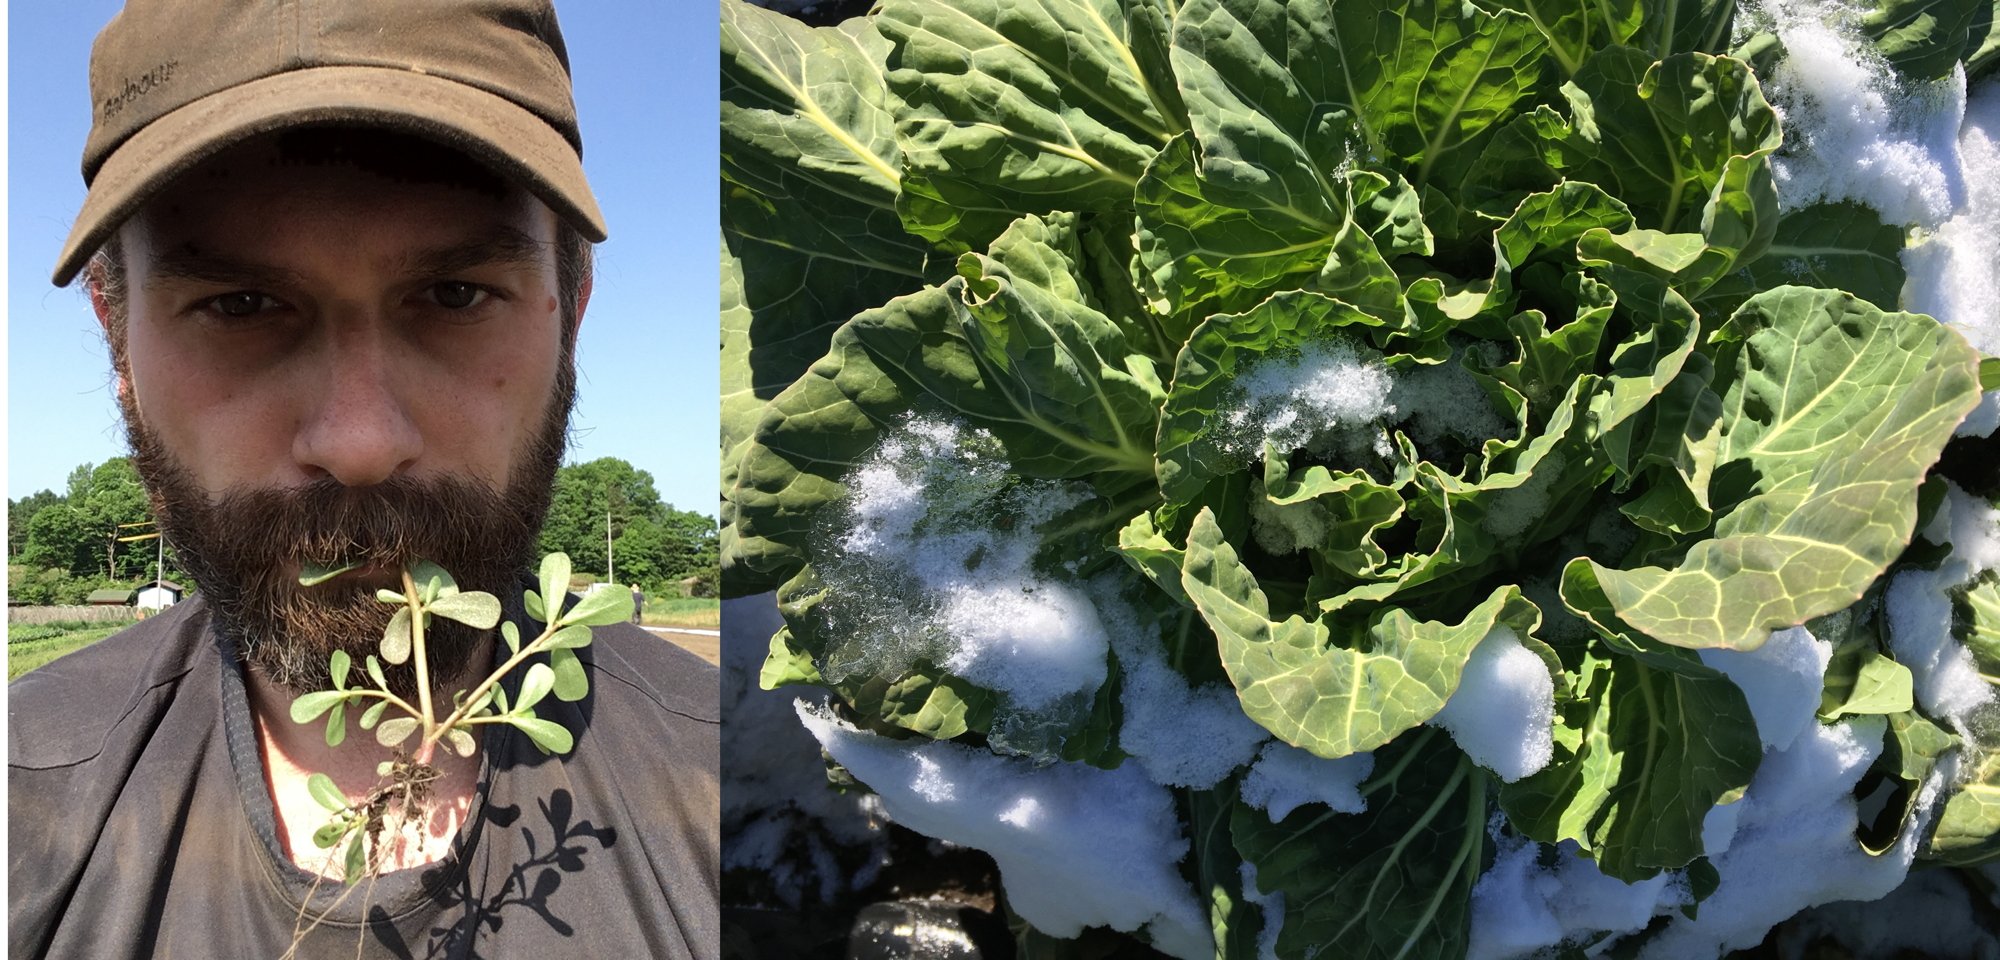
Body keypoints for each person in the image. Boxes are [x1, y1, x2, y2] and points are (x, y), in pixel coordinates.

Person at [6, 2, 719, 958]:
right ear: (115, 330)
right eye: (241, 304)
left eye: (455, 295)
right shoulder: (26, 799)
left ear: (573, 309)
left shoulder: (736, 789)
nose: (359, 442)